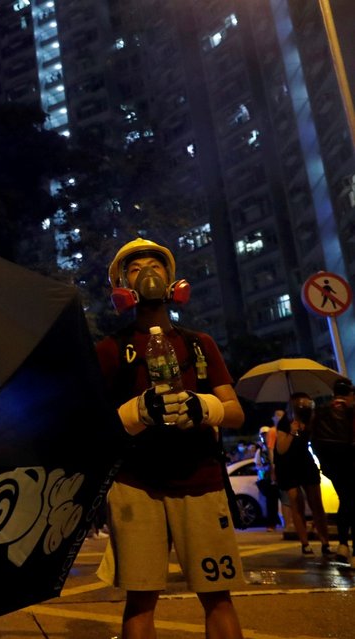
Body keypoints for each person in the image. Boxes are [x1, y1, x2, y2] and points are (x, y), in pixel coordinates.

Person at [95, 238, 246, 639]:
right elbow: (92, 428)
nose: (148, 273)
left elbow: (235, 412)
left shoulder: (200, 344)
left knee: (217, 595)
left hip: (201, 482)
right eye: (135, 267)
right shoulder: (109, 350)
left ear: (173, 279)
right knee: (140, 599)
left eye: (156, 265)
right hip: (136, 487)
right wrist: (135, 414)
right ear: (121, 285)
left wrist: (203, 408)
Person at [275, 392, 332, 556]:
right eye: (301, 403)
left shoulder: (309, 418)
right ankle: (305, 543)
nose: (304, 405)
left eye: (306, 403)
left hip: (305, 462)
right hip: (288, 465)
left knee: (317, 504)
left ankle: (325, 542)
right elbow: (281, 449)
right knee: (296, 501)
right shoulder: (285, 422)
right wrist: (292, 432)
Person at [311, 377, 355, 566]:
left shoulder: (321, 412)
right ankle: (348, 548)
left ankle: (344, 544)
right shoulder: (352, 412)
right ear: (350, 395)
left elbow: (314, 440)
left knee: (346, 500)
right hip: (351, 464)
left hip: (332, 468)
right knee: (351, 502)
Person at [255, 426, 280, 531]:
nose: (266, 437)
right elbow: (258, 465)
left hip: (278, 478)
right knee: (271, 503)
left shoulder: (276, 447)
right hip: (268, 480)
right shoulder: (260, 451)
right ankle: (272, 524)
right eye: (264, 435)